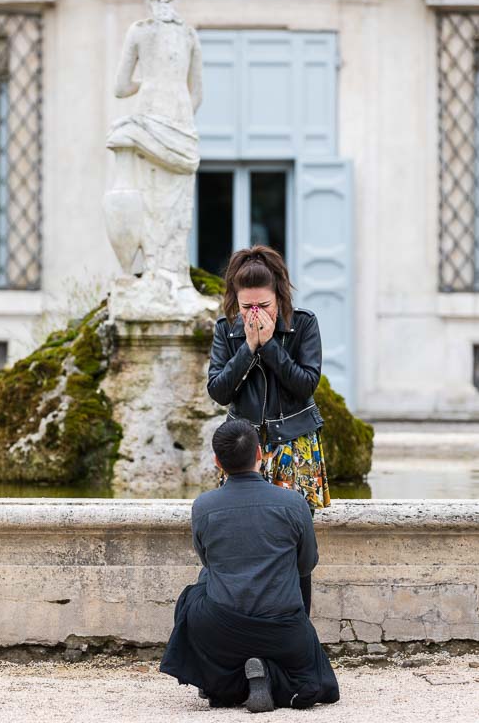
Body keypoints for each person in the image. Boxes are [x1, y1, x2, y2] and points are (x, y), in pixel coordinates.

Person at [160, 419, 339, 712]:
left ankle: (225, 685)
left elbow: (208, 562)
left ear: (217, 461)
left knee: (193, 595)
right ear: (260, 454)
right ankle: (268, 674)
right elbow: (307, 564)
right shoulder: (293, 503)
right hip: (284, 633)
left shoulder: (203, 506)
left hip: (222, 632)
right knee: (316, 682)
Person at [207, 244, 331, 617]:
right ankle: (244, 623)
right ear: (236, 301)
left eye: (263, 305)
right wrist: (248, 347)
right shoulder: (226, 331)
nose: (255, 314)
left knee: (293, 542)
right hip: (244, 446)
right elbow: (218, 390)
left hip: (293, 443)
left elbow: (305, 384)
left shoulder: (303, 324)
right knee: (240, 538)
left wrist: (272, 346)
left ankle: (297, 626)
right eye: (247, 307)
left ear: (279, 295)